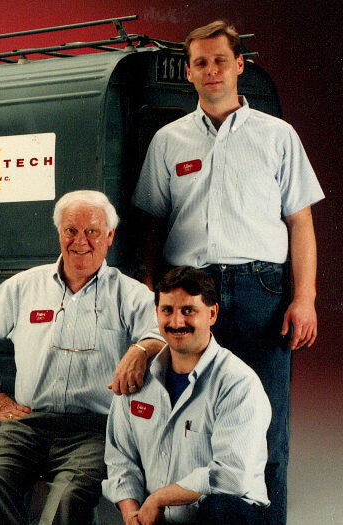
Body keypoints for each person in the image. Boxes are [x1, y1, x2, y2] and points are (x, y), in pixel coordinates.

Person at [132, 21, 324, 524]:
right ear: (190, 73)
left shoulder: (277, 137)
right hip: (190, 296)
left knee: (264, 427)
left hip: (262, 291)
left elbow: (300, 221)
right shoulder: (168, 142)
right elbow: (152, 226)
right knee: (191, 424)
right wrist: (154, 293)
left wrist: (304, 299)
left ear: (240, 66)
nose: (211, 70)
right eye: (200, 62)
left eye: (221, 60)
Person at [0, 190, 165, 525]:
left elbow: (163, 334)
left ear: (109, 236)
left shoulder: (130, 293)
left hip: (95, 430)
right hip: (26, 424)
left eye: (92, 231)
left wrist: (140, 349)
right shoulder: (24, 287)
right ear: (59, 234)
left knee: (66, 499)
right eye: (71, 230)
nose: (80, 241)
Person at [103, 266, 270, 524]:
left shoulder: (238, 383)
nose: (176, 322)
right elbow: (120, 460)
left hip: (224, 517)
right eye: (167, 310)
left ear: (212, 313)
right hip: (157, 519)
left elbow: (231, 477)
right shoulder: (136, 378)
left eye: (188, 311)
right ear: (155, 313)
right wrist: (132, 515)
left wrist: (159, 498)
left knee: (221, 509)